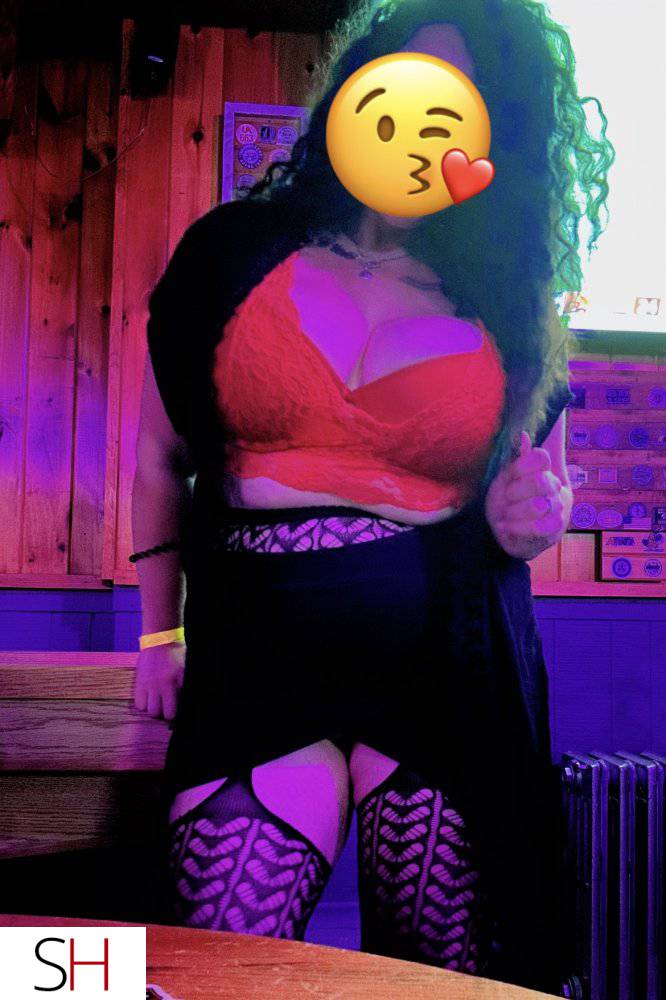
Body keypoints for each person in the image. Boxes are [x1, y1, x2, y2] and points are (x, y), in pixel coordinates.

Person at [131, 0, 614, 992]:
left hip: (446, 674)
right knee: (206, 968)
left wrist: (535, 517)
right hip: (256, 664)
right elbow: (157, 454)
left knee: (444, 982)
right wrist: (156, 634)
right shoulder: (234, 252)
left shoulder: (507, 303)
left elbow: (540, 487)